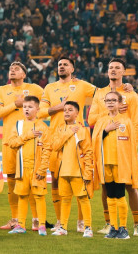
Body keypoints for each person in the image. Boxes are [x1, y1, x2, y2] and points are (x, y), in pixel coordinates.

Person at [39, 57, 96, 232]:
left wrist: (125, 88)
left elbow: (102, 94)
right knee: (56, 180)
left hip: (76, 137)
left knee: (79, 181)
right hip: (57, 137)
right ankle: (60, 222)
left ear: (72, 68)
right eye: (59, 65)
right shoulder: (50, 88)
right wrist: (59, 107)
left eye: (65, 64)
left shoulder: (81, 85)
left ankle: (81, 222)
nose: (61, 67)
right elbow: (41, 112)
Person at [88, 58, 138, 236]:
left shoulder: (131, 94)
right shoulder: (100, 93)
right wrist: (113, 109)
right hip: (105, 150)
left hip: (125, 149)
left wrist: (130, 149)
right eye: (110, 67)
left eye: (117, 67)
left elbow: (135, 124)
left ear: (123, 72)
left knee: (130, 187)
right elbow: (91, 120)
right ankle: (110, 224)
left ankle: (136, 225)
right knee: (107, 188)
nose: (113, 70)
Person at [0, 62, 43, 230]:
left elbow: (44, 107)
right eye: (10, 69)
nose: (12, 70)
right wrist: (16, 104)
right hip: (11, 141)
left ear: (24, 74)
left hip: (32, 141)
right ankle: (15, 219)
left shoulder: (35, 88)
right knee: (12, 181)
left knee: (32, 180)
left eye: (16, 69)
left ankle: (36, 220)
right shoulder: (2, 90)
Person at [92, 91, 138, 239]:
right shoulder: (101, 121)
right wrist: (106, 131)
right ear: (105, 103)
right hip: (105, 163)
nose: (110, 103)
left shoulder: (126, 121)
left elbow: (132, 145)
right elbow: (94, 141)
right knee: (110, 196)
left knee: (120, 195)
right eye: (108, 100)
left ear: (120, 103)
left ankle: (123, 228)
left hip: (121, 164)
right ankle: (113, 227)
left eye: (114, 100)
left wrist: (131, 165)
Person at [7, 96, 51, 236]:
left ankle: (42, 225)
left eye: (30, 107)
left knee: (39, 196)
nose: (26, 109)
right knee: (22, 196)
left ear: (37, 110)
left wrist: (42, 169)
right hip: (22, 167)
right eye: (25, 106)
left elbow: (47, 149)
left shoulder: (42, 127)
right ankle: (21, 225)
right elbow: (12, 143)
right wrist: (27, 136)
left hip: (37, 168)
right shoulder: (18, 125)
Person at [51, 101, 94, 237]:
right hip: (63, 172)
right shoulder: (60, 129)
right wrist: (69, 133)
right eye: (65, 110)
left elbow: (88, 152)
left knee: (83, 199)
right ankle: (63, 227)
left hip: (78, 172)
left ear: (77, 114)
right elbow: (55, 146)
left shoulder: (82, 130)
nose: (67, 112)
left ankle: (88, 228)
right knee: (65, 199)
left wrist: (88, 173)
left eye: (70, 110)